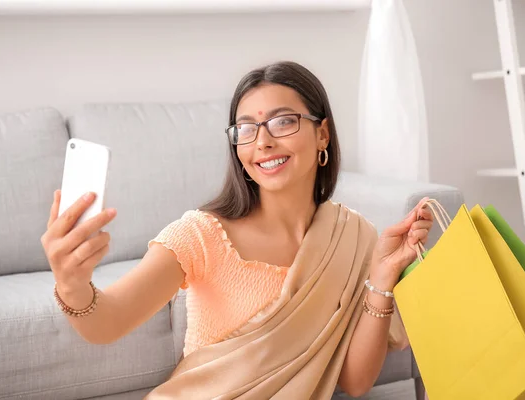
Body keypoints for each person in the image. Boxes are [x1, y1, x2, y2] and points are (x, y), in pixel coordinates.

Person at [41, 61, 433, 399]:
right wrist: (72, 284)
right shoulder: (200, 235)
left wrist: (382, 278)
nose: (262, 141)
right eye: (246, 129)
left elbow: (355, 381)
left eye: (283, 122)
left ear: (323, 134)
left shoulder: (353, 238)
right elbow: (108, 323)